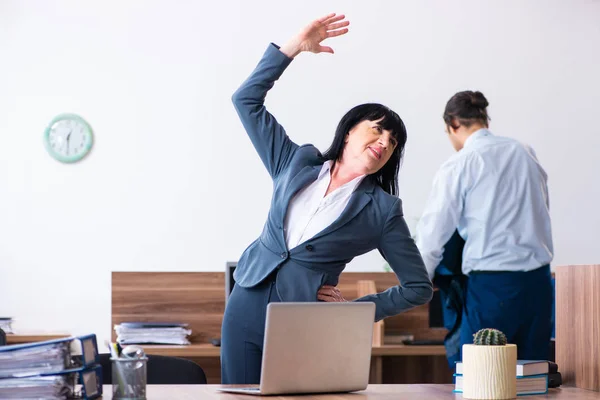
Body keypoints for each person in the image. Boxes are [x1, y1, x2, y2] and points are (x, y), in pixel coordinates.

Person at [221, 13, 433, 384]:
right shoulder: (296, 161)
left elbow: (418, 287)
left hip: (302, 319)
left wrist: (353, 311)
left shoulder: (382, 210)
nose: (384, 142)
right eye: (379, 129)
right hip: (245, 300)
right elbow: (246, 100)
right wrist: (292, 49)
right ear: (350, 130)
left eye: (393, 142)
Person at [415, 90, 554, 361]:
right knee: (534, 378)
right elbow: (542, 209)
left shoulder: (460, 163)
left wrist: (420, 280)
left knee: (481, 378)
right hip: (539, 282)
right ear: (485, 120)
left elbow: (433, 232)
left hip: (491, 285)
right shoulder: (524, 152)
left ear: (453, 125)